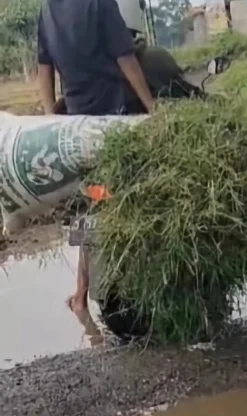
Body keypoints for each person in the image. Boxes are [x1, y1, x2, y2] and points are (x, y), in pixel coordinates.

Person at [37, 0, 156, 319]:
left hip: (77, 126)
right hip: (113, 119)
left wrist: (51, 117)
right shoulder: (100, 2)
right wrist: (153, 107)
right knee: (128, 197)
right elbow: (126, 57)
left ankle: (80, 294)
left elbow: (44, 66)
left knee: (94, 202)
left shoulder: (48, 9)